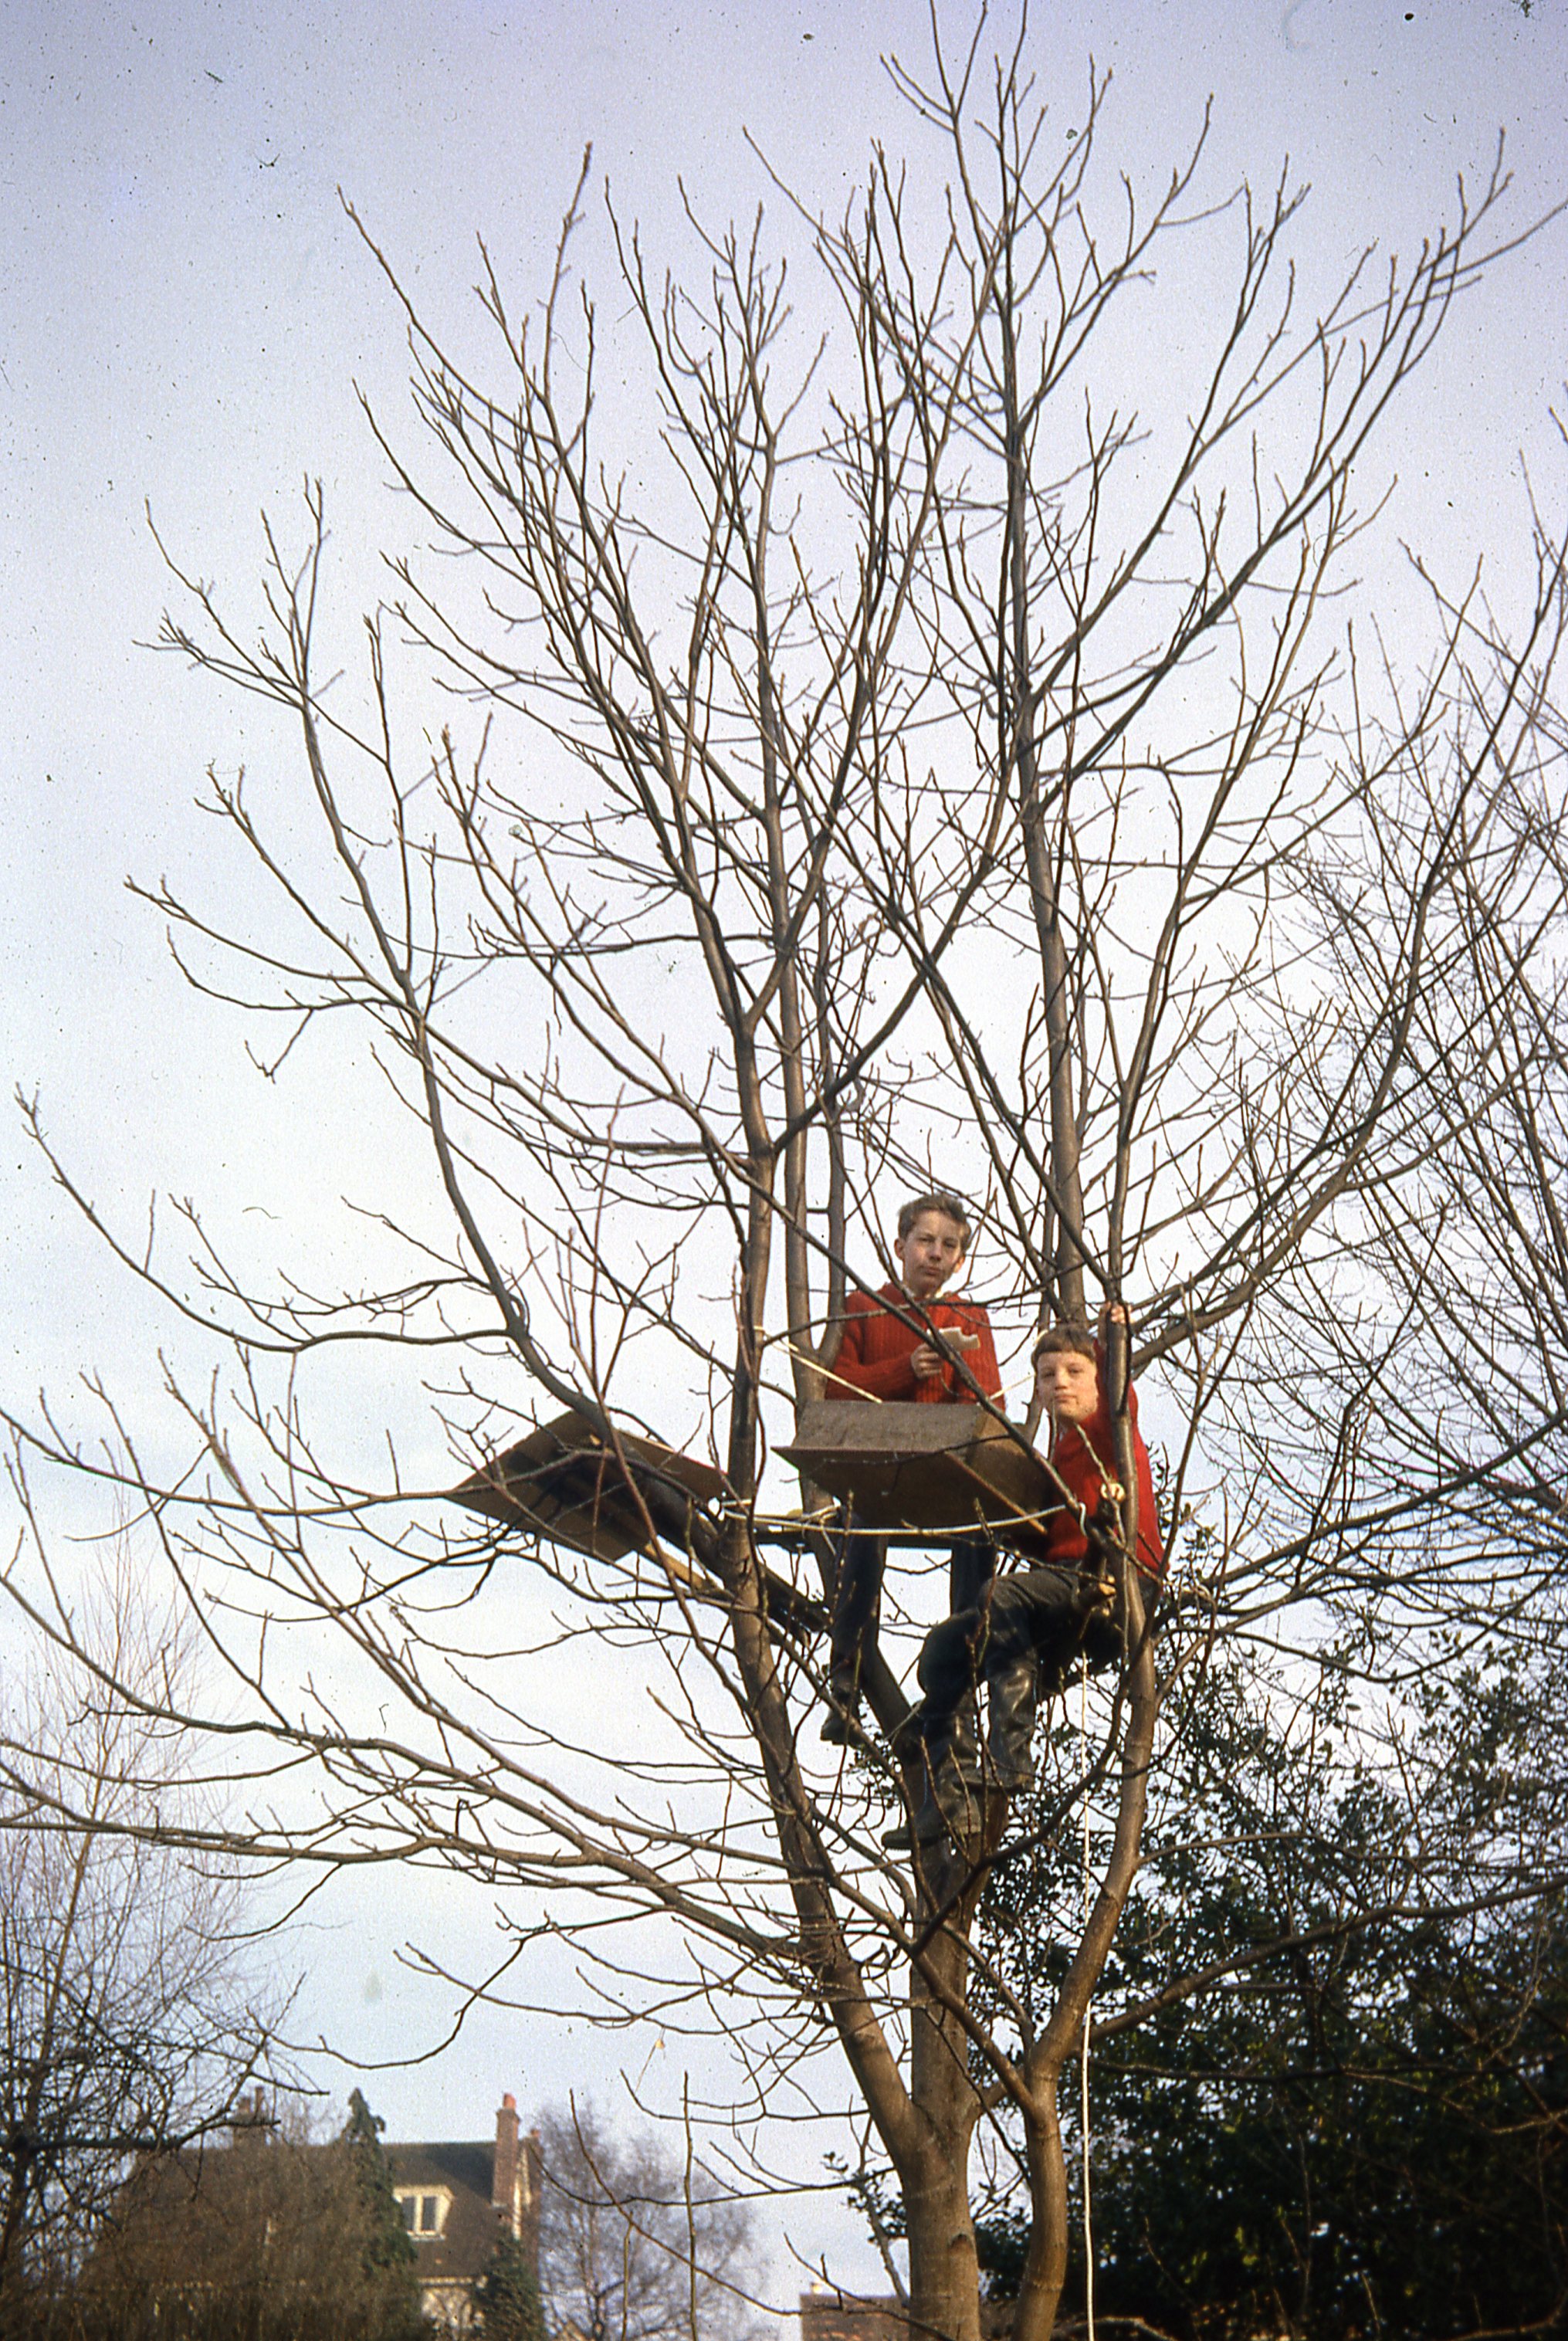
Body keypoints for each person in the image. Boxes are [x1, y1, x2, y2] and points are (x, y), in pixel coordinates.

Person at [886, 1304, 1163, 1848]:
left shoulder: (1107, 1433)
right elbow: (1042, 1538)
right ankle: (951, 1797)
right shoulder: (1057, 1451)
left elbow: (1119, 1395)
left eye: (1073, 1372)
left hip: (1117, 1582)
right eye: (1046, 1375)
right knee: (944, 1647)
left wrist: (1112, 1336)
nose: (1059, 1383)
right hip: (1058, 1587)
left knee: (1000, 1594)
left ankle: (1010, 1758)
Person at [821, 1192, 1002, 1740]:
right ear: (899, 1246)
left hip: (943, 1475)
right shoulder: (863, 1306)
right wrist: (905, 1369)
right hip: (880, 1472)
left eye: (948, 1246)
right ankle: (845, 1682)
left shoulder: (970, 1316)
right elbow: (835, 1393)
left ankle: (961, 1684)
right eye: (925, 1241)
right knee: (863, 1517)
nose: (935, 1254)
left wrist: (952, 1373)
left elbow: (988, 1405)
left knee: (979, 1530)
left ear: (959, 1260)